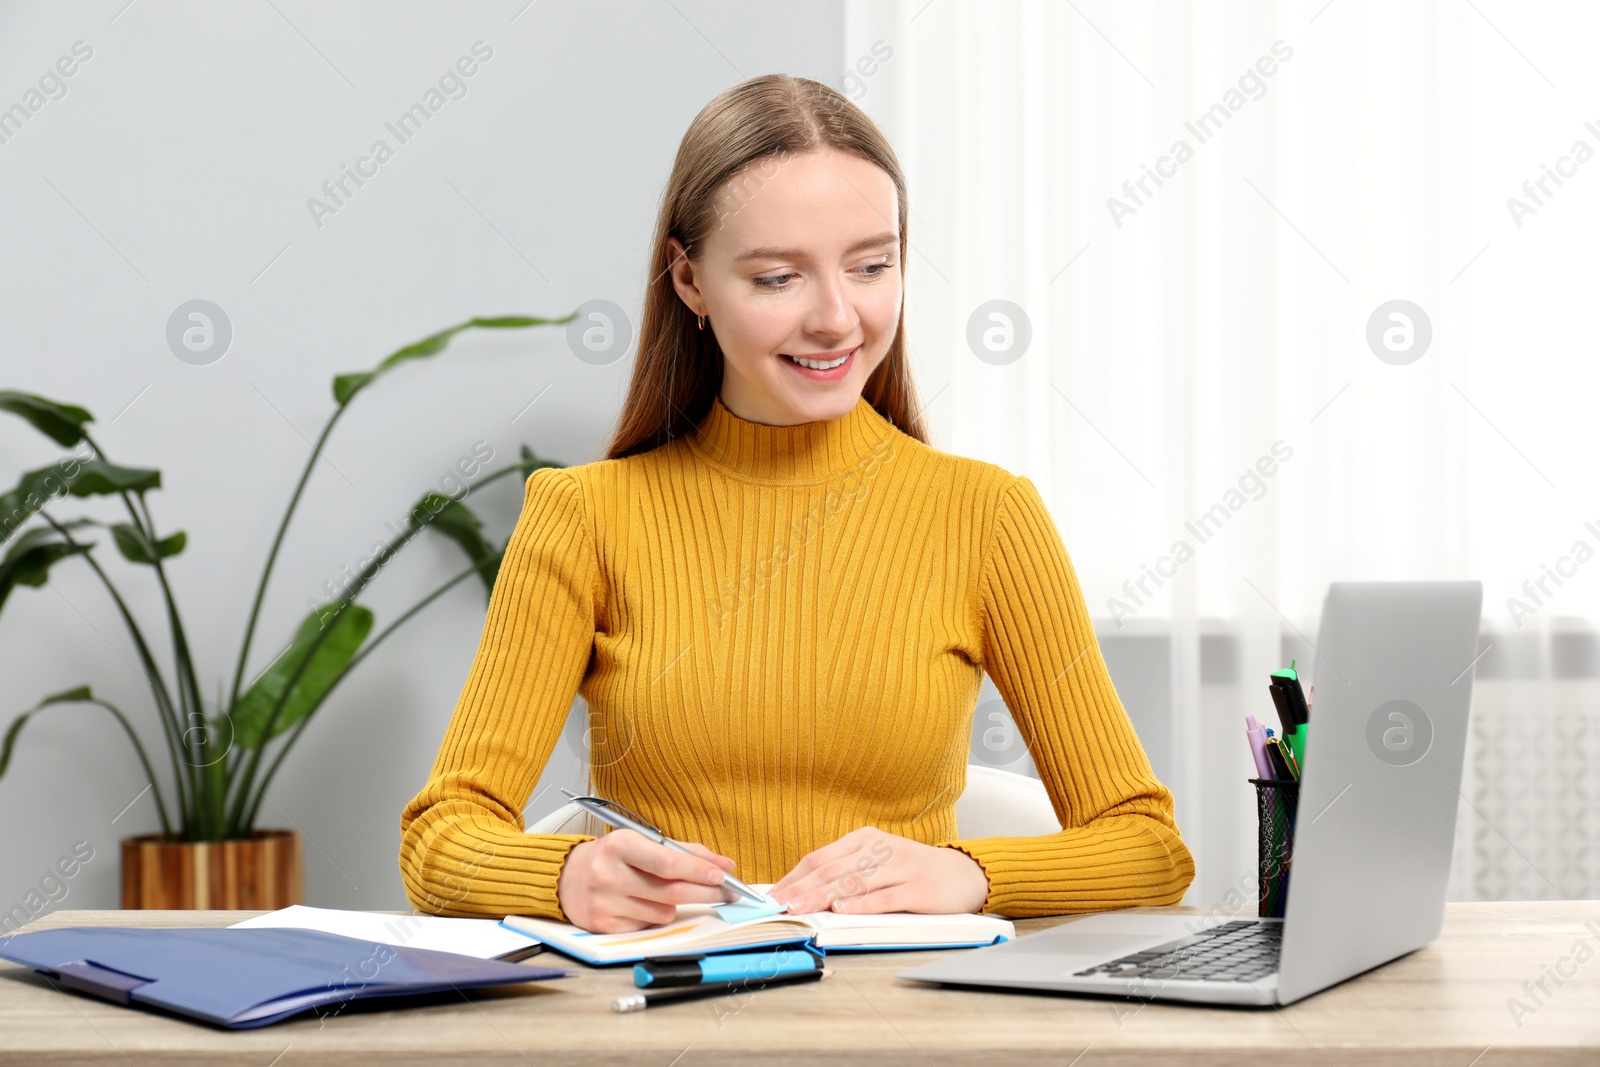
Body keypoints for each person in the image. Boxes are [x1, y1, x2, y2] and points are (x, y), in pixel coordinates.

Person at [400, 74, 1194, 934]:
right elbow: (441, 837)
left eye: (871, 265)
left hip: (904, 1014)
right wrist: (567, 875)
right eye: (778, 277)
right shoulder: (585, 517)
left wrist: (965, 871)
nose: (836, 317)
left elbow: (1148, 846)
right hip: (666, 1011)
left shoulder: (986, 514)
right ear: (691, 282)